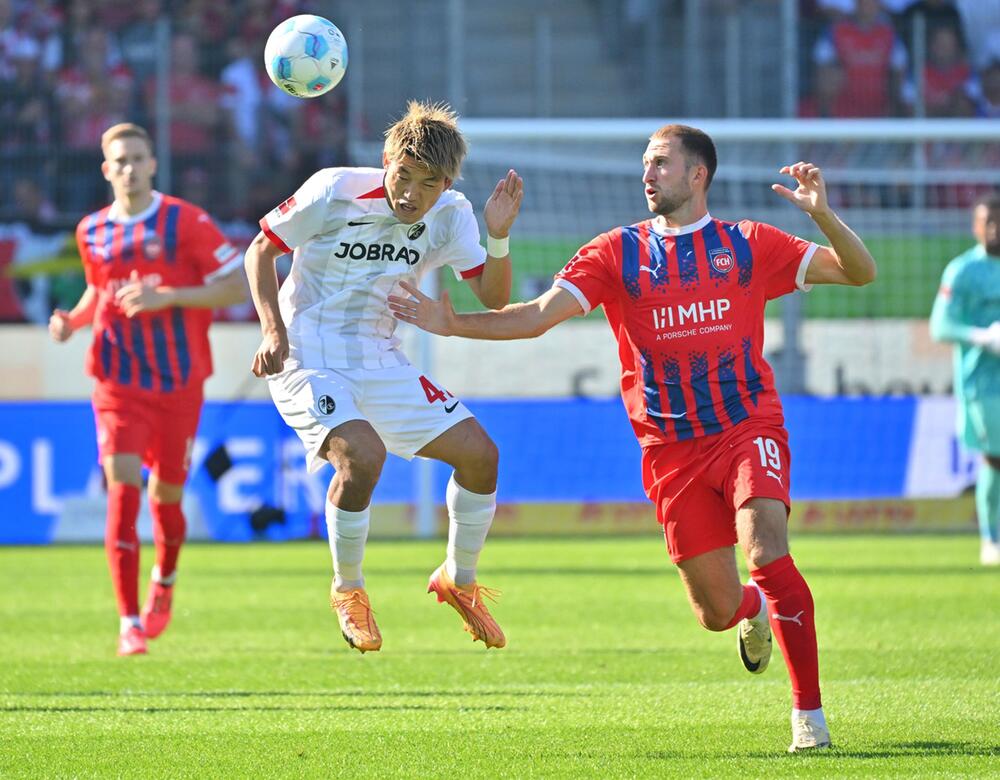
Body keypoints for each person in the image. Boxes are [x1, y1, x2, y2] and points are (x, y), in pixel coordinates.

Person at [389, 124, 877, 752]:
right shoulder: (615, 253)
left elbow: (859, 273)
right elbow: (536, 317)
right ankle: (754, 612)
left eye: (662, 163)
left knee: (766, 547)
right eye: (645, 163)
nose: (648, 173)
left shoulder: (750, 244)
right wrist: (450, 322)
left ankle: (808, 716)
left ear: (698, 175)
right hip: (670, 451)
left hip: (745, 426)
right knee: (716, 611)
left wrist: (825, 216)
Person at [244, 101, 523, 654]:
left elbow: (493, 298)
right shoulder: (334, 188)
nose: (412, 195)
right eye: (404, 176)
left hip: (381, 357)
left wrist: (497, 236)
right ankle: (348, 589)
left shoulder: (451, 213)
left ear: (446, 184)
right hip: (307, 355)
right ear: (386, 161)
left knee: (481, 457)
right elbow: (260, 251)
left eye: (429, 183)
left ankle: (458, 581)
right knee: (362, 456)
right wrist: (272, 329)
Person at [48, 123, 246, 656]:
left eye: (139, 157)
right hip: (115, 382)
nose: (130, 167)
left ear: (153, 164)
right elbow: (100, 291)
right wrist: (73, 320)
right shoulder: (91, 230)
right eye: (121, 159)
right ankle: (128, 620)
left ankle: (165, 576)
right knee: (123, 487)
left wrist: (171, 297)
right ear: (106, 169)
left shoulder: (186, 221)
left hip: (178, 383)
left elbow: (235, 284)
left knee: (167, 495)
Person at [930, 192, 1000, 566]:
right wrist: (983, 336)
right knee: (995, 458)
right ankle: (992, 539)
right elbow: (940, 325)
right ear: (975, 226)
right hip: (983, 385)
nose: (995, 229)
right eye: (988, 222)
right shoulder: (962, 270)